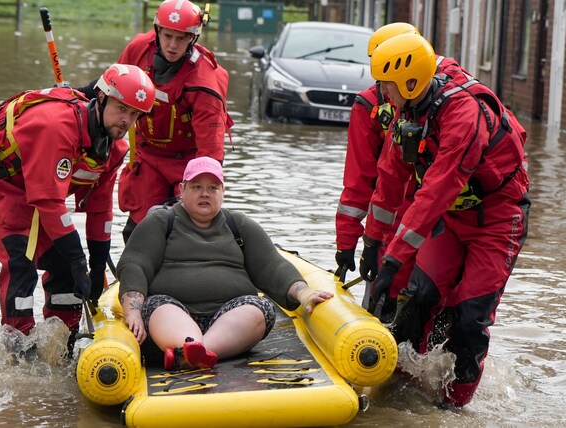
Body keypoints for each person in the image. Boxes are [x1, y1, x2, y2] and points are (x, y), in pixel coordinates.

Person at [361, 33, 529, 408]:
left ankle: (452, 407)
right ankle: (399, 389)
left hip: (498, 217)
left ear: (409, 81)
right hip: (452, 219)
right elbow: (389, 178)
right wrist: (373, 244)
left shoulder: (462, 114)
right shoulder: (409, 110)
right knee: (418, 297)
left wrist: (395, 258)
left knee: (470, 318)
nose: (381, 91)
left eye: (386, 84)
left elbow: (437, 188)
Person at [0, 64, 156, 357]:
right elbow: (49, 202)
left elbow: (100, 208)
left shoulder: (112, 148)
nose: (126, 121)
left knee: (65, 267)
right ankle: (18, 346)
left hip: (40, 190)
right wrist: (79, 259)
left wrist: (96, 265)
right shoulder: (58, 127)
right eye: (121, 109)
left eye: (135, 114)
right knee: (21, 259)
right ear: (101, 98)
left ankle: (64, 342)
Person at [117, 156, 333, 370]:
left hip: (227, 319)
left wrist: (304, 293)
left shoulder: (239, 225)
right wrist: (133, 312)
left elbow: (273, 266)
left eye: (212, 187)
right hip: (171, 314)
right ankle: (191, 349)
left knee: (259, 308)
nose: (204, 193)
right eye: (196, 187)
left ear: (223, 192)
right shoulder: (160, 223)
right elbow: (135, 264)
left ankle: (192, 355)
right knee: (160, 306)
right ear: (182, 190)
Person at [335, 22, 477, 323]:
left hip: (440, 205)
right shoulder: (369, 106)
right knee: (389, 289)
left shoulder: (449, 101)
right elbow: (360, 181)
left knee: (442, 297)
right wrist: (350, 244)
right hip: (400, 210)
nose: (387, 90)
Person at [79, 0, 233, 243]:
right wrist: (72, 95)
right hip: (148, 155)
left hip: (189, 162)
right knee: (136, 231)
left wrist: (202, 192)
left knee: (183, 228)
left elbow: (210, 153)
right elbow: (110, 87)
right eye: (167, 36)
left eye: (180, 38)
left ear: (193, 38)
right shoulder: (140, 48)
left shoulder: (204, 84)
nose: (172, 45)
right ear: (157, 31)